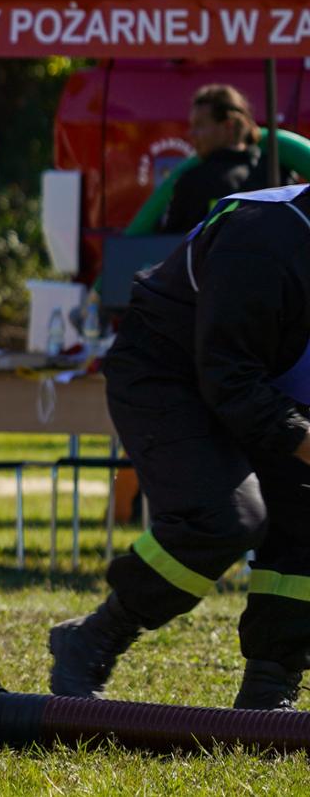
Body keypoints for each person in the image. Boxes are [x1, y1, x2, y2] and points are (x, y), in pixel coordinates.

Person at [50, 183, 310, 711]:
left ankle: (269, 684)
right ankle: (97, 636)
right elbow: (228, 380)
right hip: (168, 373)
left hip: (260, 385)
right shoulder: (264, 241)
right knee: (227, 519)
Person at [158, 84, 265, 234]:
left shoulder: (192, 181)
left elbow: (171, 246)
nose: (192, 133)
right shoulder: (275, 172)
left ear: (229, 125)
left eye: (199, 125)